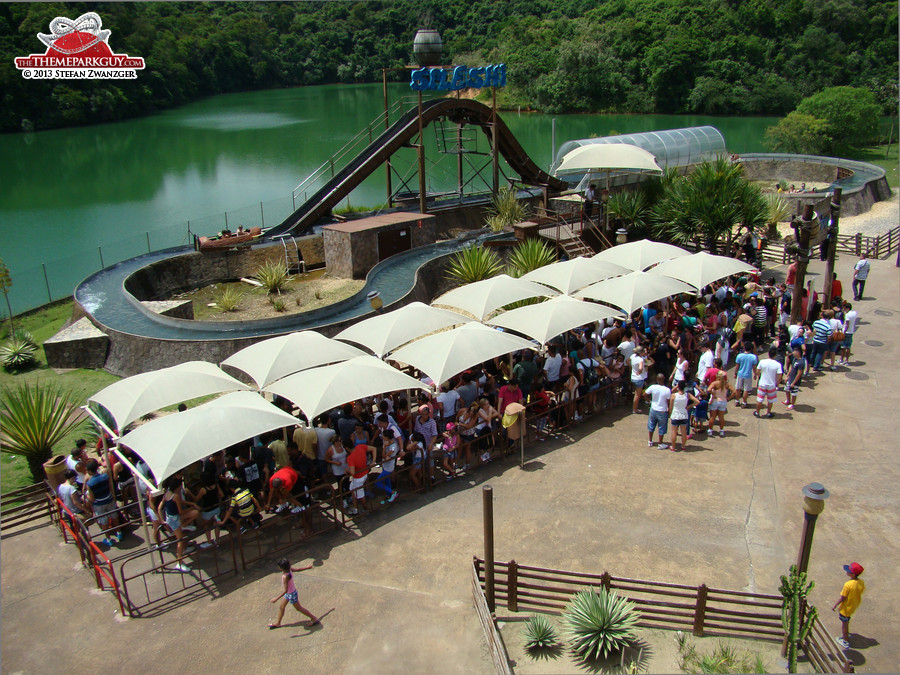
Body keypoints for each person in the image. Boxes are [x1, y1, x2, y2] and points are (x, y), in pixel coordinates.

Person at [268, 558, 320, 629]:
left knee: (299, 608)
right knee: (282, 607)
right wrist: (307, 567)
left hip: (291, 594)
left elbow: (285, 590)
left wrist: (276, 598)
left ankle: (314, 618)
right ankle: (278, 623)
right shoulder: (289, 569)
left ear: (282, 568)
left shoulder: (286, 576)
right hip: (289, 593)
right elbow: (298, 569)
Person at [83, 458, 121, 546]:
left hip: (99, 504)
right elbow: (110, 487)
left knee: (104, 521)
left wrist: (86, 496)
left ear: (90, 471)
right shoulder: (105, 476)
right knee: (114, 516)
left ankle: (108, 539)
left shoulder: (90, 483)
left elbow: (92, 498)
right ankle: (119, 532)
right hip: (109, 499)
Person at [832, 562, 865, 649]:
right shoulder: (861, 582)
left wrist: (835, 605)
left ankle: (845, 641)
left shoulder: (848, 585)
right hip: (854, 605)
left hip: (846, 608)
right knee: (847, 621)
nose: (847, 572)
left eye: (848, 571)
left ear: (853, 575)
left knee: (844, 624)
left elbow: (842, 598)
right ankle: (846, 635)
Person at [753, 346, 783, 419]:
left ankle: (757, 412)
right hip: (771, 385)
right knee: (770, 400)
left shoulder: (762, 362)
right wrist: (777, 383)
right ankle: (768, 412)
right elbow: (780, 375)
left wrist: (760, 377)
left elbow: (757, 372)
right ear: (775, 355)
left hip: (762, 383)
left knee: (760, 399)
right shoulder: (778, 364)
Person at [668, 382, 699, 452]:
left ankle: (673, 446)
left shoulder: (673, 395)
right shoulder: (687, 395)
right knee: (683, 432)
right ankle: (683, 446)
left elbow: (670, 407)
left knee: (674, 432)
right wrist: (689, 406)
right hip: (684, 415)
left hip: (675, 415)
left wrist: (670, 414)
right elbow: (697, 401)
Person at [643, 374, 671, 449]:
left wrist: (649, 401)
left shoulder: (653, 387)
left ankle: (650, 441)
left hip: (653, 409)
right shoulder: (667, 390)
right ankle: (660, 443)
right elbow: (668, 402)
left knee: (651, 425)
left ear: (656, 379)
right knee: (662, 427)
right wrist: (669, 411)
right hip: (662, 410)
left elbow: (644, 394)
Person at [707, 371, 734, 437]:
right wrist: (729, 398)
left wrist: (713, 394)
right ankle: (721, 430)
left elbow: (708, 389)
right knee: (721, 417)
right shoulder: (727, 384)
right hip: (723, 401)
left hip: (715, 400)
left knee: (712, 417)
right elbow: (734, 391)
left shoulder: (715, 383)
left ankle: (710, 430)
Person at [734, 342, 758, 408]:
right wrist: (755, 374)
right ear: (751, 348)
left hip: (740, 374)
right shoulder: (753, 357)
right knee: (746, 390)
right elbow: (754, 367)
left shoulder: (739, 356)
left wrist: (735, 373)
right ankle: (744, 402)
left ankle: (737, 401)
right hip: (748, 375)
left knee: (738, 388)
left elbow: (737, 366)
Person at [782, 346, 806, 410]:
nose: (793, 352)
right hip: (790, 379)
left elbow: (799, 374)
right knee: (786, 390)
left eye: (794, 351)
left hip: (795, 381)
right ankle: (788, 401)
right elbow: (791, 368)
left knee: (793, 393)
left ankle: (792, 404)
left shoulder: (801, 362)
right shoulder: (794, 359)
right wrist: (787, 376)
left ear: (798, 353)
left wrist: (793, 383)